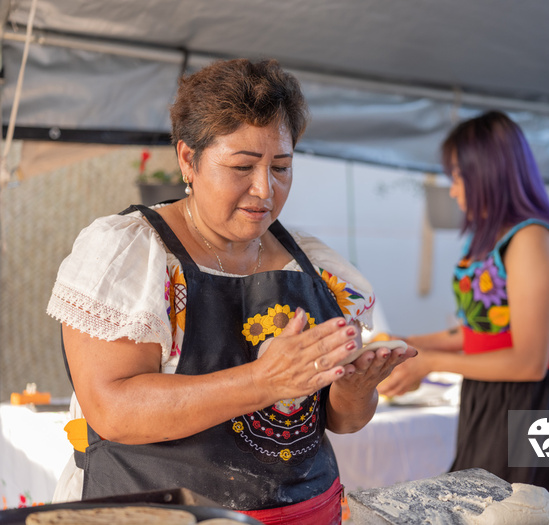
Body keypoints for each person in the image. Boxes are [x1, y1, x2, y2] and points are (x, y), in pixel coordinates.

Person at [47, 58, 415, 524]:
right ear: (188, 158)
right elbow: (113, 411)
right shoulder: (132, 254)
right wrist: (263, 382)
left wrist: (356, 390)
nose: (265, 189)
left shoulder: (316, 265)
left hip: (308, 512)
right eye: (243, 166)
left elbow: (339, 421)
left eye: (281, 166)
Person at [377, 111, 549, 518]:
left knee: (522, 514)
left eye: (458, 177)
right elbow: (477, 333)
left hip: (532, 406)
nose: (454, 191)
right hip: (490, 393)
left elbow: (529, 362)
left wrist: (431, 362)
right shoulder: (492, 240)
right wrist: (408, 345)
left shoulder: (531, 241)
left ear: (488, 174)